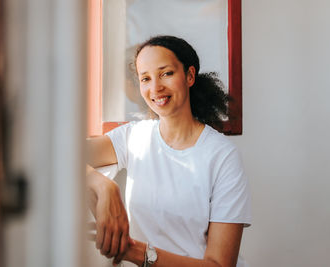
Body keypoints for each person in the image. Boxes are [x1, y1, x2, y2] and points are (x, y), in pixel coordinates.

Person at [87, 35, 251, 267]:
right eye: (145, 78)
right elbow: (64, 154)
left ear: (190, 76)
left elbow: (220, 264)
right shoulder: (134, 136)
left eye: (166, 73)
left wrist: (135, 252)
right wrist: (103, 186)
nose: (156, 88)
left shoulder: (222, 156)